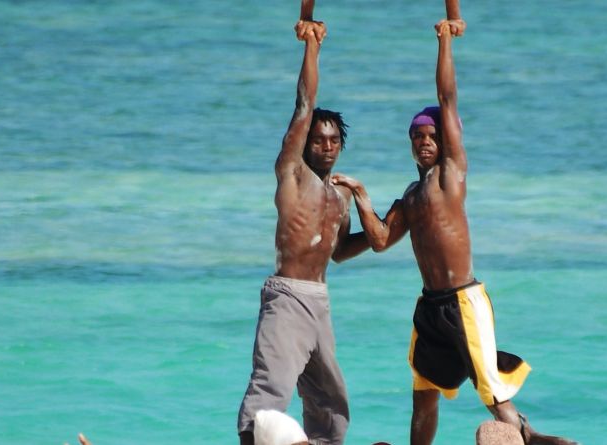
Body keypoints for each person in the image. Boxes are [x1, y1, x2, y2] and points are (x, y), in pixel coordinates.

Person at [331, 14, 578, 445]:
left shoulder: (450, 174)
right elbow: (380, 240)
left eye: (430, 135)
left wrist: (445, 40)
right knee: (423, 392)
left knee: (490, 387)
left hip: (463, 300)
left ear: (444, 141)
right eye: (416, 136)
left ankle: (532, 437)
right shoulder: (409, 196)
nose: (423, 141)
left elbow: (446, 98)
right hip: (430, 307)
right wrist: (359, 195)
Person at [236, 15, 369, 445]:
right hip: (288, 295)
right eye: (319, 139)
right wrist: (313, 46)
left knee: (331, 402)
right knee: (270, 390)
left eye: (333, 141)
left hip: (320, 301)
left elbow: (341, 250)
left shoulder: (340, 196)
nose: (326, 146)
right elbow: (304, 105)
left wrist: (384, 219)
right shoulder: (293, 174)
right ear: (305, 143)